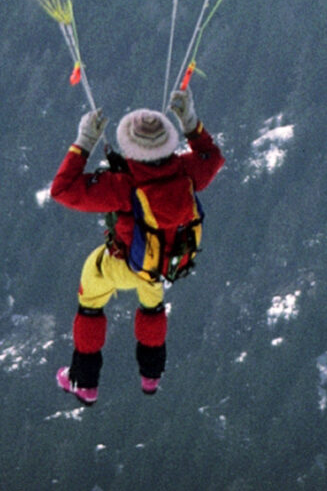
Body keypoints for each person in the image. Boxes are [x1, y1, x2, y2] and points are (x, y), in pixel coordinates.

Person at [50, 89, 222, 403]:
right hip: (164, 264)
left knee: (92, 282)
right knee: (151, 301)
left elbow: (62, 190)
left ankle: (83, 382)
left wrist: (84, 141)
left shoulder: (124, 186)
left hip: (128, 265)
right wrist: (190, 122)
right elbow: (212, 158)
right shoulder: (185, 172)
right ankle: (151, 377)